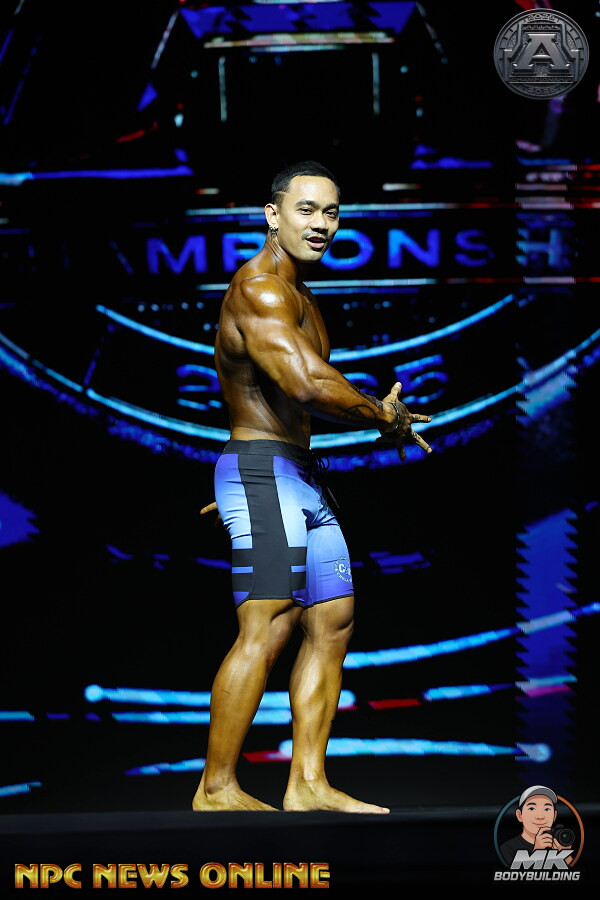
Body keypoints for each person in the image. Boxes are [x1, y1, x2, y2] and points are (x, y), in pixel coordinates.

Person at [192, 160, 432, 813]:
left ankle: (307, 784)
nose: (321, 223)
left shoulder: (302, 295)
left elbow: (298, 390)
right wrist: (380, 415)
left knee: (333, 620)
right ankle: (216, 788)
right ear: (272, 215)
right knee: (269, 622)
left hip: (294, 473)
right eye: (306, 210)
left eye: (331, 212)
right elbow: (304, 384)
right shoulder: (261, 290)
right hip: (264, 469)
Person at [500, 785, 575, 866]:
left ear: (554, 816)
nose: (540, 816)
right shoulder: (507, 848)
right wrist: (537, 851)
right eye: (532, 808)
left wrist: (565, 854)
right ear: (519, 815)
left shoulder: (560, 842)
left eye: (547, 809)